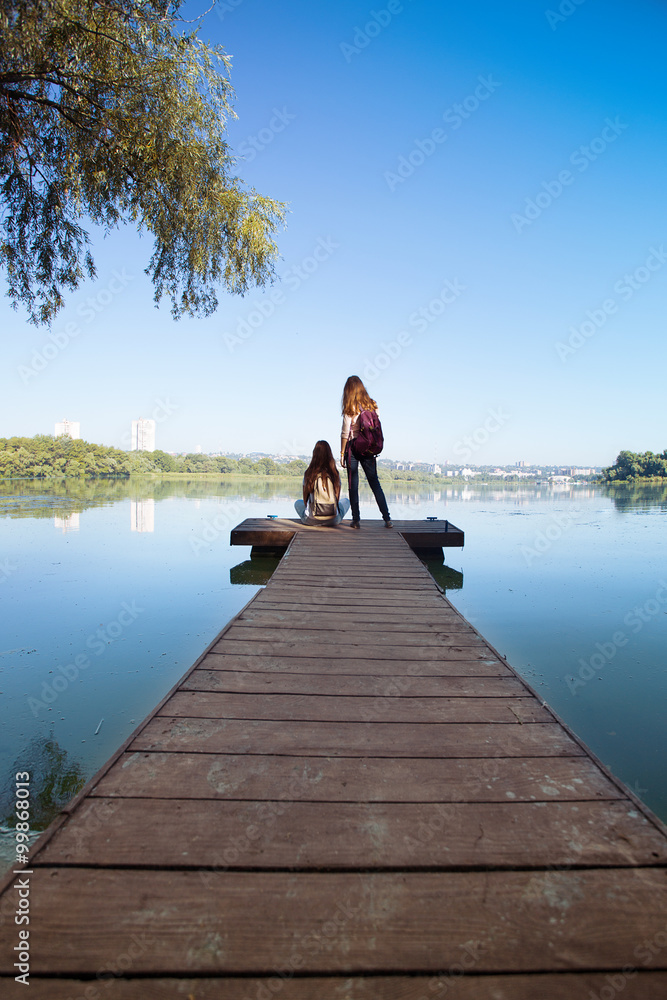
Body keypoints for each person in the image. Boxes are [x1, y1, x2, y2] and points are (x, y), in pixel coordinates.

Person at [340, 375, 392, 528]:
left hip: (353, 447)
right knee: (375, 483)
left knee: (353, 485)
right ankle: (387, 519)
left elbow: (344, 433)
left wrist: (342, 453)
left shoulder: (350, 407)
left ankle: (356, 521)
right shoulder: (373, 405)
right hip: (369, 448)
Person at [294, 440, 350, 526]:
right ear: (330, 454)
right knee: (346, 501)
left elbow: (305, 501)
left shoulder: (309, 474)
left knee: (298, 503)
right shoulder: (335, 474)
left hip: (310, 520)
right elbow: (337, 499)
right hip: (333, 520)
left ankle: (312, 517)